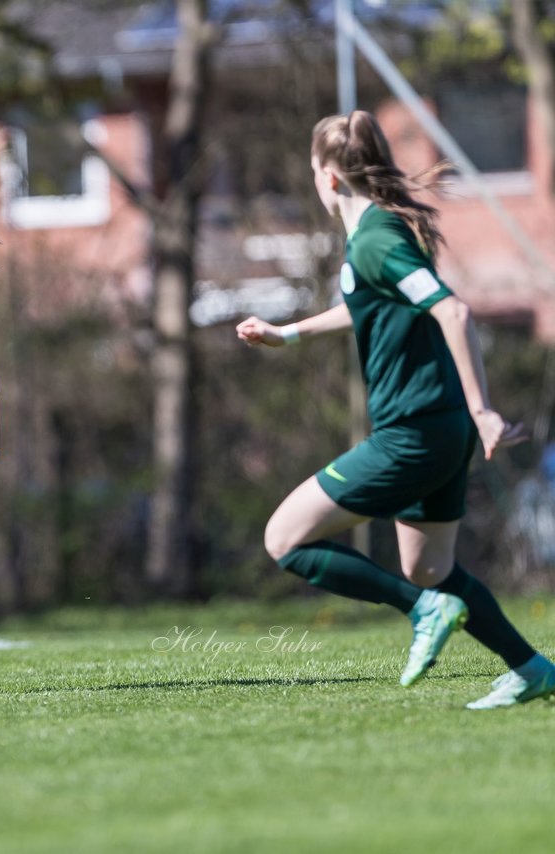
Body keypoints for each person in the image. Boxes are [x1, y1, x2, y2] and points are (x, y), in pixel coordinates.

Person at [236, 110, 555, 710]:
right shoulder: (378, 237)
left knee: (285, 538)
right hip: (440, 428)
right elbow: (369, 304)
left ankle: (421, 612)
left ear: (328, 178)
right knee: (430, 568)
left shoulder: (378, 238)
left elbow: (453, 313)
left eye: (311, 171)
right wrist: (290, 333)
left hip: (414, 431)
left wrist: (485, 409)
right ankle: (532, 668)